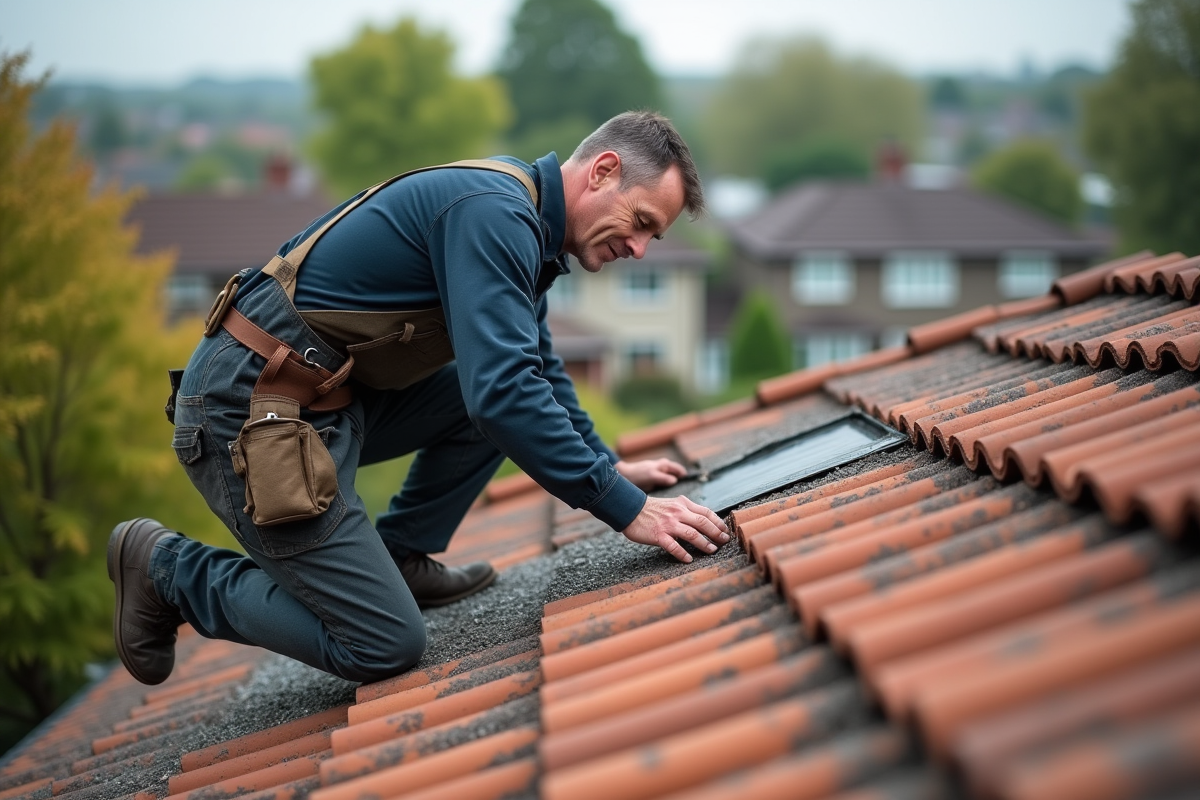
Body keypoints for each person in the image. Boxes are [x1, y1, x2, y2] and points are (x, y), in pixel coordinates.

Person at [108, 111, 730, 687]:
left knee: (480, 392)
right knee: (383, 643)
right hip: (245, 413)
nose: (641, 249)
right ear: (603, 172)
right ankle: (167, 570)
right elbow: (505, 396)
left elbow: (532, 367)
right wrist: (627, 509)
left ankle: (401, 555)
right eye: (643, 222)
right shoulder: (494, 213)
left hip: (327, 404)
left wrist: (605, 462)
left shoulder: (526, 222)